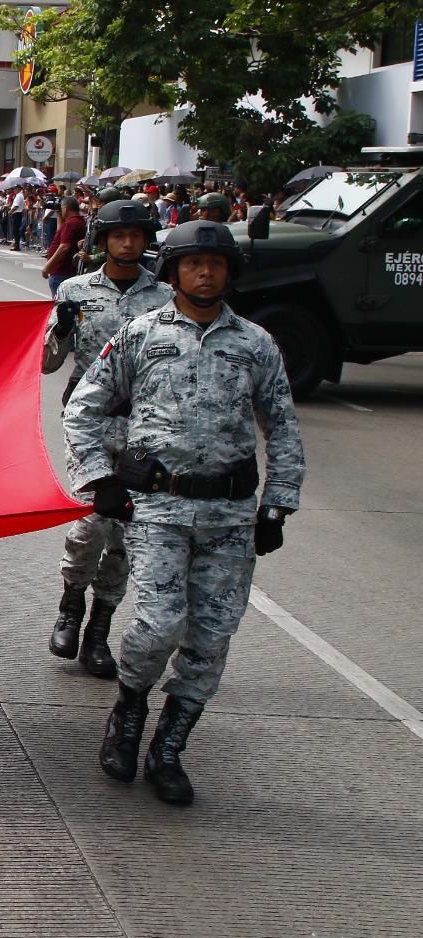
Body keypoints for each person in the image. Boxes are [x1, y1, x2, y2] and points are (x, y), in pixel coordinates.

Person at [64, 219, 305, 805]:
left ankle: (168, 746)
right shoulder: (142, 334)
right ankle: (127, 713)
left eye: (216, 264)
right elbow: (83, 410)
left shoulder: (255, 343)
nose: (205, 273)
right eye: (193, 264)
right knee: (156, 624)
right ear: (172, 271)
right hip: (158, 510)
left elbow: (283, 427)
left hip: (229, 516)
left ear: (229, 273)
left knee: (212, 635)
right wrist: (100, 479)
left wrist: (277, 504)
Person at [42, 199, 173, 679]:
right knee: (94, 519)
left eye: (137, 235)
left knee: (125, 531)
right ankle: (71, 602)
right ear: (103, 241)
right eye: (120, 235)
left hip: (144, 426)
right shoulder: (75, 290)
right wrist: (59, 327)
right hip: (89, 421)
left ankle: (99, 629)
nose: (128, 243)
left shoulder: (164, 298)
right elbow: (47, 363)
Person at [42, 196, 89, 296]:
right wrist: (59, 213)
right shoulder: (74, 222)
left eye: (62, 208)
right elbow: (60, 232)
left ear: (66, 209)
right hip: (64, 271)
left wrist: (48, 266)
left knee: (60, 305)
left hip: (62, 271)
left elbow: (64, 246)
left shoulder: (71, 223)